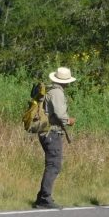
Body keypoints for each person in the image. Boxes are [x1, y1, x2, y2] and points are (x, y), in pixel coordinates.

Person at [33, 67, 76, 209]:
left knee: (51, 164)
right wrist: (69, 120)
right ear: (66, 82)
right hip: (52, 133)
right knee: (54, 165)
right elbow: (60, 113)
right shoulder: (57, 93)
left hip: (46, 132)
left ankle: (41, 197)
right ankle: (45, 198)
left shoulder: (51, 91)